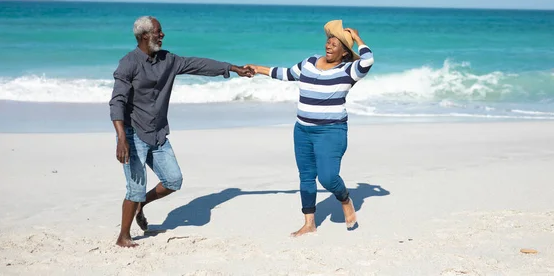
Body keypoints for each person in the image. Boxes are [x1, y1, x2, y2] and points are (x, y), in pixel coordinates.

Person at [109, 15, 254, 247]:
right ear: (145, 35)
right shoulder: (129, 63)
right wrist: (121, 138)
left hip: (158, 132)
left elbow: (198, 64)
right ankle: (123, 236)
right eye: (158, 31)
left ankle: (141, 205)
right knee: (135, 188)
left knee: (173, 180)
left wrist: (232, 68)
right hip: (133, 133)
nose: (162, 35)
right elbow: (116, 101)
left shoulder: (168, 60)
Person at [248, 20, 374, 237]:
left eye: (336, 44)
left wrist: (357, 38)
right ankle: (309, 223)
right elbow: (286, 73)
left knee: (328, 178)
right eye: (329, 41)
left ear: (345, 52)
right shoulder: (309, 63)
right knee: (306, 176)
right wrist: (257, 69)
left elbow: (368, 59)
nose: (329, 45)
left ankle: (345, 199)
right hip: (303, 130)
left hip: (331, 132)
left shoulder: (348, 70)